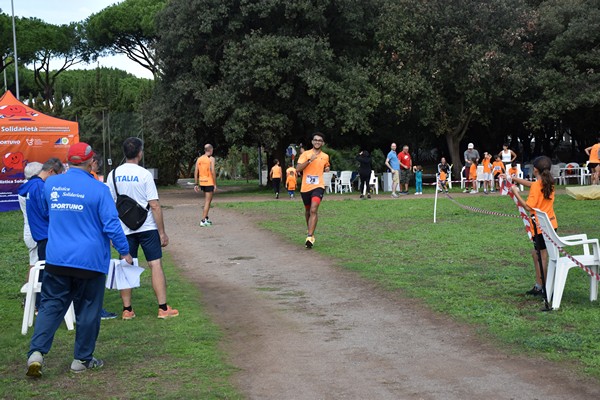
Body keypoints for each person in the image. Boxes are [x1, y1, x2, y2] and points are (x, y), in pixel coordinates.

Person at [26, 142, 132, 378]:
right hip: (90, 261)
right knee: (88, 310)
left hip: (57, 258)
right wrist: (124, 251)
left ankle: (36, 353)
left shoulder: (51, 184)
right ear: (91, 161)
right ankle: (81, 360)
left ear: (68, 160)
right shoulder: (99, 190)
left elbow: (45, 211)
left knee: (50, 307)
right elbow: (112, 225)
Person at [107, 137, 178, 320]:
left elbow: (110, 205)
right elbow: (154, 205)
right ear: (140, 153)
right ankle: (163, 308)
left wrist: (112, 234)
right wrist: (162, 232)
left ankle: (127, 310)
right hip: (147, 226)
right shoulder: (144, 174)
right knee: (155, 264)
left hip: (124, 229)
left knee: (126, 264)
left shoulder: (113, 174)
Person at [20, 158, 65, 310]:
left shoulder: (31, 185)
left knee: (42, 269)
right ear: (51, 171)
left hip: (39, 233)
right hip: (45, 234)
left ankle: (40, 303)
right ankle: (42, 304)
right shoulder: (39, 187)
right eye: (58, 175)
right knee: (46, 271)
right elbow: (45, 211)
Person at [510, 156, 557, 297]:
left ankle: (543, 287)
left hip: (540, 227)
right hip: (551, 225)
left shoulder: (538, 185)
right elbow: (533, 185)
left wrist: (516, 193)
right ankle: (540, 285)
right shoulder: (550, 183)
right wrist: (514, 179)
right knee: (536, 255)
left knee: (541, 256)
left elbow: (528, 207)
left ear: (535, 169)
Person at [89, 153, 118, 320]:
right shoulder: (95, 183)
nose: (97, 169)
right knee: (96, 275)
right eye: (96, 165)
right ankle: (97, 311)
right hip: (95, 236)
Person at [296, 132, 330, 248]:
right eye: (315, 140)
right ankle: (310, 231)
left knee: (314, 209)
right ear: (312, 142)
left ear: (323, 143)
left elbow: (326, 164)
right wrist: (309, 160)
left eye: (320, 140)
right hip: (305, 187)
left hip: (318, 186)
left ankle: (310, 236)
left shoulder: (325, 156)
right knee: (308, 211)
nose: (317, 142)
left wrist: (327, 168)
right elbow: (298, 169)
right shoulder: (305, 154)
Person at [18, 162, 43, 280]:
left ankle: (30, 295)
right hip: (35, 230)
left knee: (34, 263)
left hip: (30, 229)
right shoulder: (33, 188)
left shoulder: (25, 186)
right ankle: (30, 295)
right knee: (34, 265)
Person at [194, 144, 217, 227]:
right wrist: (215, 184)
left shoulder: (199, 159)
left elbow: (196, 171)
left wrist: (196, 184)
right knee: (207, 201)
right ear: (210, 150)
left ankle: (206, 218)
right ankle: (203, 220)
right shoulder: (211, 159)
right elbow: (213, 171)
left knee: (209, 200)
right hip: (209, 182)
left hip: (202, 182)